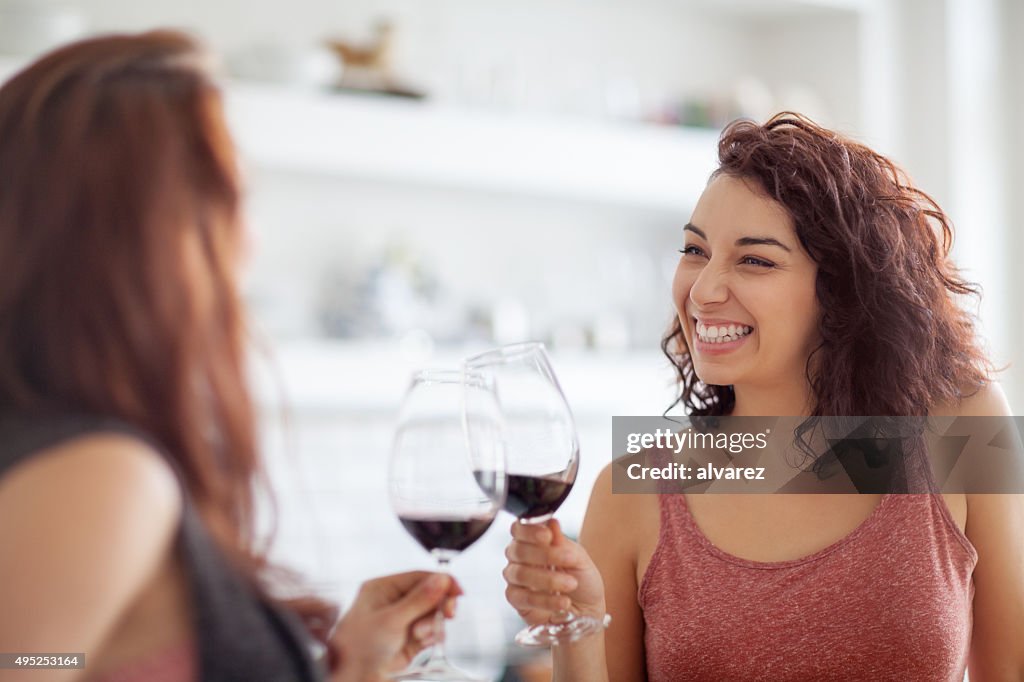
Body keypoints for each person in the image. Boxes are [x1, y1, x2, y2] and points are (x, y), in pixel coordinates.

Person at [0, 31, 458, 682]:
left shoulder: (79, 455)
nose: (250, 237)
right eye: (231, 194)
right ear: (149, 232)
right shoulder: (103, 476)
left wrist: (348, 670)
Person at [503, 114, 1024, 680]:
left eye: (754, 260)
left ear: (843, 287)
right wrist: (577, 625)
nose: (703, 291)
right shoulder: (632, 492)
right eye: (694, 250)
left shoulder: (961, 426)